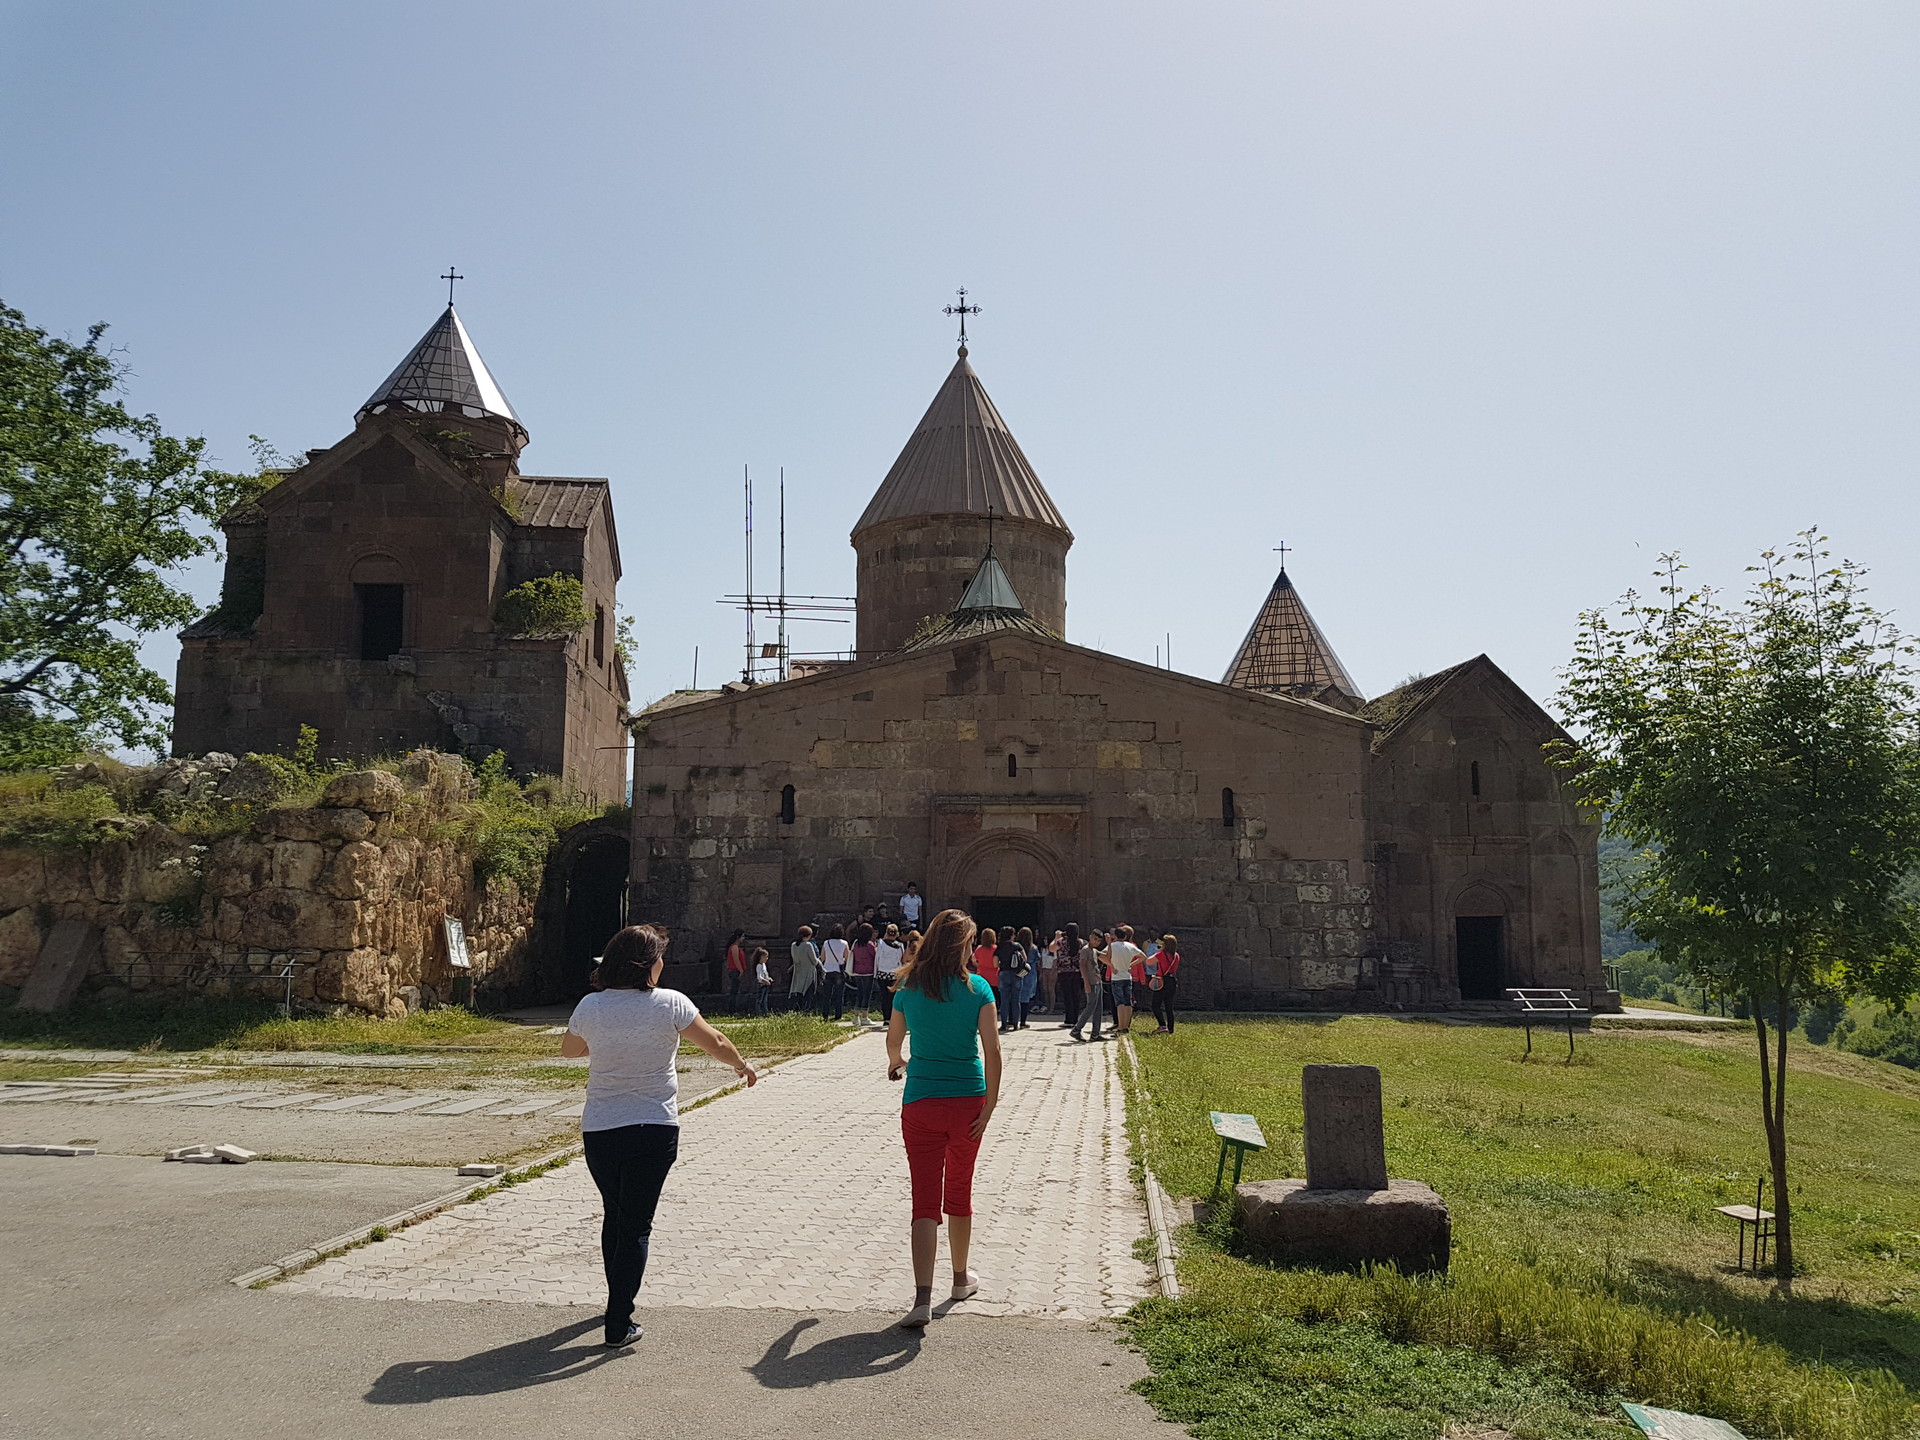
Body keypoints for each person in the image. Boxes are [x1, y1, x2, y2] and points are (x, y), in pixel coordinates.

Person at [561, 924, 757, 1348]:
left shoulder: (591, 1006)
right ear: (647, 965)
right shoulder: (670, 1004)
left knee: (615, 1215)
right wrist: (742, 1066)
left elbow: (570, 1050)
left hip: (601, 1129)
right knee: (635, 1225)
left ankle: (616, 1300)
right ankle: (619, 1321)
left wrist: (609, 1040)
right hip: (653, 1126)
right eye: (660, 958)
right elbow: (716, 1041)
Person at [885, 908, 1001, 1328]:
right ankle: (959, 1279)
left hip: (920, 1103)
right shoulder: (979, 989)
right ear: (964, 946)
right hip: (968, 1099)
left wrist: (899, 1062)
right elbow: (993, 1051)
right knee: (960, 1191)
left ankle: (921, 1298)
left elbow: (894, 1042)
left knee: (924, 1199)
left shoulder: (908, 988)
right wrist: (989, 1107)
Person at [1105, 924, 1143, 1036]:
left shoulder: (1112, 946)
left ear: (1116, 935)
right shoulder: (1130, 946)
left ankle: (1120, 1027)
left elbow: (1101, 955)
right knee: (1128, 1002)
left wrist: (1111, 966)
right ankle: (1126, 1026)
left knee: (1119, 1003)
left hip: (1117, 977)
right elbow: (1143, 957)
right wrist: (1131, 964)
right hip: (1127, 976)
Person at [875, 922, 907, 1024]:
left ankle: (886, 1018)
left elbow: (877, 958)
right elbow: (901, 960)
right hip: (895, 973)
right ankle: (894, 1017)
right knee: (893, 996)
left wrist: (875, 971)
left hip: (882, 972)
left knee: (884, 997)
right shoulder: (900, 946)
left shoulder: (881, 944)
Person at [1150, 934, 1181, 1034]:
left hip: (1162, 980)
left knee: (1155, 1005)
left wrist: (1158, 951)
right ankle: (1170, 1029)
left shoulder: (1160, 954)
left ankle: (1162, 1025)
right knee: (1169, 1006)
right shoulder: (1176, 956)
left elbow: (1148, 961)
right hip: (1172, 981)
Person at [1056, 924, 1085, 1031]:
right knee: (1076, 995)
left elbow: (1051, 948)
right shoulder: (1081, 942)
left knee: (1067, 995)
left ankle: (1069, 1019)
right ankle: (1075, 1019)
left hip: (1064, 971)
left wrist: (1057, 936)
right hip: (1077, 971)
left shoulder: (1061, 942)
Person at [819, 924, 851, 1022]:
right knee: (839, 994)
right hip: (839, 971)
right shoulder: (844, 943)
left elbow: (823, 958)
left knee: (827, 995)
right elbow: (847, 958)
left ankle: (825, 1014)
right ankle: (838, 1015)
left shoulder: (826, 943)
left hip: (827, 969)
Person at [996, 929, 1026, 1032]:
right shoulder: (1017, 946)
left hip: (1004, 974)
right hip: (1016, 974)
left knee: (1004, 1000)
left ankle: (1004, 1024)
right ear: (1012, 935)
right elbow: (1024, 959)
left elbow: (995, 964)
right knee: (1015, 1000)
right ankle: (1015, 1024)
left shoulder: (999, 947)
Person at [850, 922, 879, 1025]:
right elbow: (875, 956)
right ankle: (864, 1017)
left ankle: (855, 1017)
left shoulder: (856, 943)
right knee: (867, 994)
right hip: (868, 972)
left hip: (857, 971)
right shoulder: (870, 945)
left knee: (860, 994)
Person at [788, 926, 821, 1013]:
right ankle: (806, 1011)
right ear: (808, 935)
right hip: (809, 972)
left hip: (798, 971)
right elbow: (814, 960)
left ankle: (797, 1010)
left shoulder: (793, 945)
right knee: (809, 993)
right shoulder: (808, 945)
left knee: (798, 992)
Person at [971, 926, 1001, 1019]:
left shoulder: (979, 949)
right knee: (995, 994)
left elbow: (973, 960)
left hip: (982, 974)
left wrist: (979, 965)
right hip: (994, 975)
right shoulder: (996, 949)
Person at [1015, 926, 1040, 1028]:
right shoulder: (1033, 948)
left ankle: (1014, 1019)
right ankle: (1023, 1021)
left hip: (1019, 971)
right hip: (1029, 972)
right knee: (1025, 999)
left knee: (1016, 996)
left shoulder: (1016, 947)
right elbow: (1038, 960)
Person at [723, 930, 749, 1014]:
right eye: (742, 936)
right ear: (738, 937)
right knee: (734, 991)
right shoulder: (734, 947)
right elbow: (736, 960)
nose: (743, 939)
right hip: (735, 971)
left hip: (735, 970)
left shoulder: (736, 947)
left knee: (735, 990)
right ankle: (732, 1010)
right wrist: (741, 970)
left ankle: (733, 1009)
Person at [1039, 930, 1062, 1014]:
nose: (1045, 941)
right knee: (1045, 989)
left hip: (1052, 970)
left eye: (1046, 939)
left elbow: (1055, 960)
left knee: (1051, 989)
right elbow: (1041, 960)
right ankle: (1047, 1006)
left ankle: (1052, 1008)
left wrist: (1053, 970)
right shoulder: (1043, 949)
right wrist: (1041, 971)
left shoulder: (1053, 949)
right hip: (1044, 969)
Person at [752, 946, 773, 1016]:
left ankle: (766, 1012)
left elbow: (765, 974)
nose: (767, 958)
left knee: (765, 1000)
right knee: (759, 1000)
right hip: (761, 985)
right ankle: (758, 1013)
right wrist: (765, 981)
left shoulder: (764, 965)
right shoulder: (758, 966)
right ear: (761, 957)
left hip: (766, 985)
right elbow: (759, 977)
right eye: (765, 957)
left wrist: (769, 978)